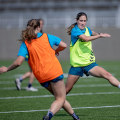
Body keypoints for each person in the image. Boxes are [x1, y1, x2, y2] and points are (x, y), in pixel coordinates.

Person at [0, 19, 80, 120]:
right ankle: (49, 115)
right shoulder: (47, 37)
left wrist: (7, 69)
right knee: (60, 98)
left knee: (59, 98)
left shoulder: (26, 43)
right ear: (38, 27)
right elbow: (63, 45)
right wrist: (56, 51)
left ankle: (75, 117)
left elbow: (18, 62)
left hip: (41, 77)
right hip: (53, 72)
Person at [65, 12, 120, 94]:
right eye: (81, 21)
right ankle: (57, 103)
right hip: (77, 65)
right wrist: (99, 36)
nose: (83, 23)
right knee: (66, 90)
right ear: (76, 20)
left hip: (89, 64)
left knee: (107, 75)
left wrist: (99, 34)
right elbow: (85, 38)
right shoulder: (75, 30)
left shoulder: (87, 29)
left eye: (84, 21)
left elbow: (92, 33)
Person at [15, 18, 44, 91]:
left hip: (33, 55)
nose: (41, 26)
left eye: (42, 24)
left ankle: (20, 80)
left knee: (32, 71)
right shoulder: (33, 33)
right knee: (34, 71)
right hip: (31, 55)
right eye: (40, 24)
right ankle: (29, 86)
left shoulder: (40, 33)